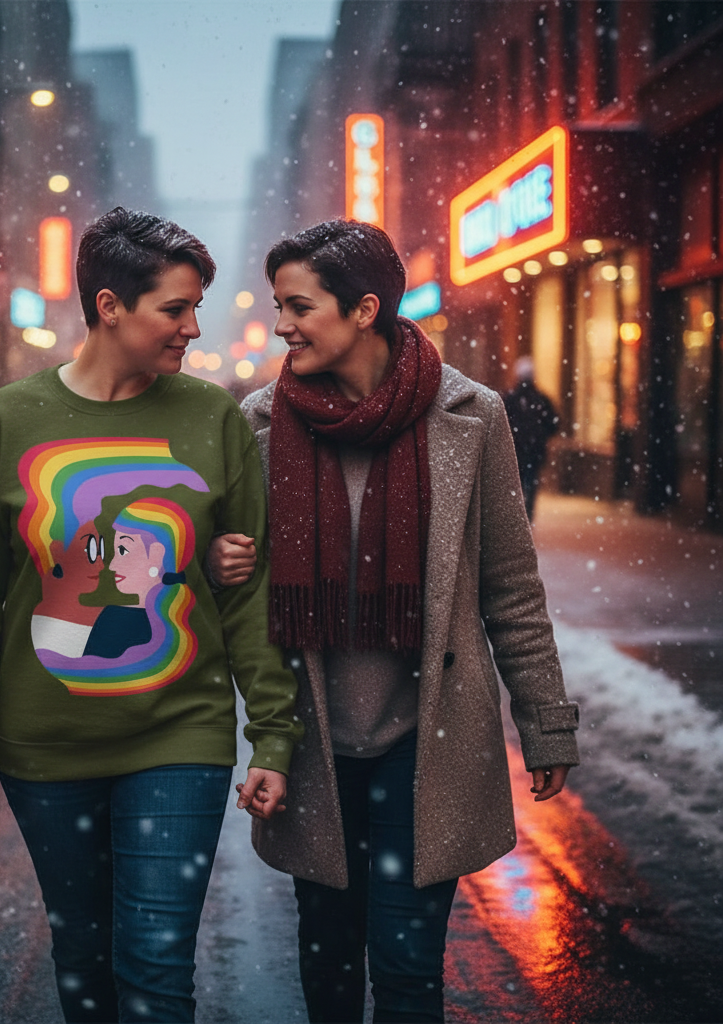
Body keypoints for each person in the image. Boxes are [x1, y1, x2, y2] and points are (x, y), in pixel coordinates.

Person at [0, 207, 302, 1024]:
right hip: (44, 748)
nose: (192, 327)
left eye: (196, 307)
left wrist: (273, 732)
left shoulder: (212, 419)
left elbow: (250, 593)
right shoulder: (9, 421)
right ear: (109, 305)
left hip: (180, 737)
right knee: (84, 963)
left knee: (158, 969)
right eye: (175, 308)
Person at [211, 219, 580, 1024]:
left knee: (409, 969)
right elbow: (235, 589)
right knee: (329, 961)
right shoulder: (260, 423)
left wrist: (546, 723)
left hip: (427, 734)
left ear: (365, 309)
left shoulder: (472, 416)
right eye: (279, 306)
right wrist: (220, 563)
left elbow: (510, 588)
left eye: (300, 306)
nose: (283, 326)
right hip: (313, 739)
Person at [501, 355, 559, 522]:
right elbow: (554, 423)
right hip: (535, 451)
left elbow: (500, 424)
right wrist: (540, 435)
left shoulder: (510, 398)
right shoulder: (541, 399)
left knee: (516, 483)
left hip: (516, 450)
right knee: (531, 482)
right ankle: (528, 515)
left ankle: (518, 516)